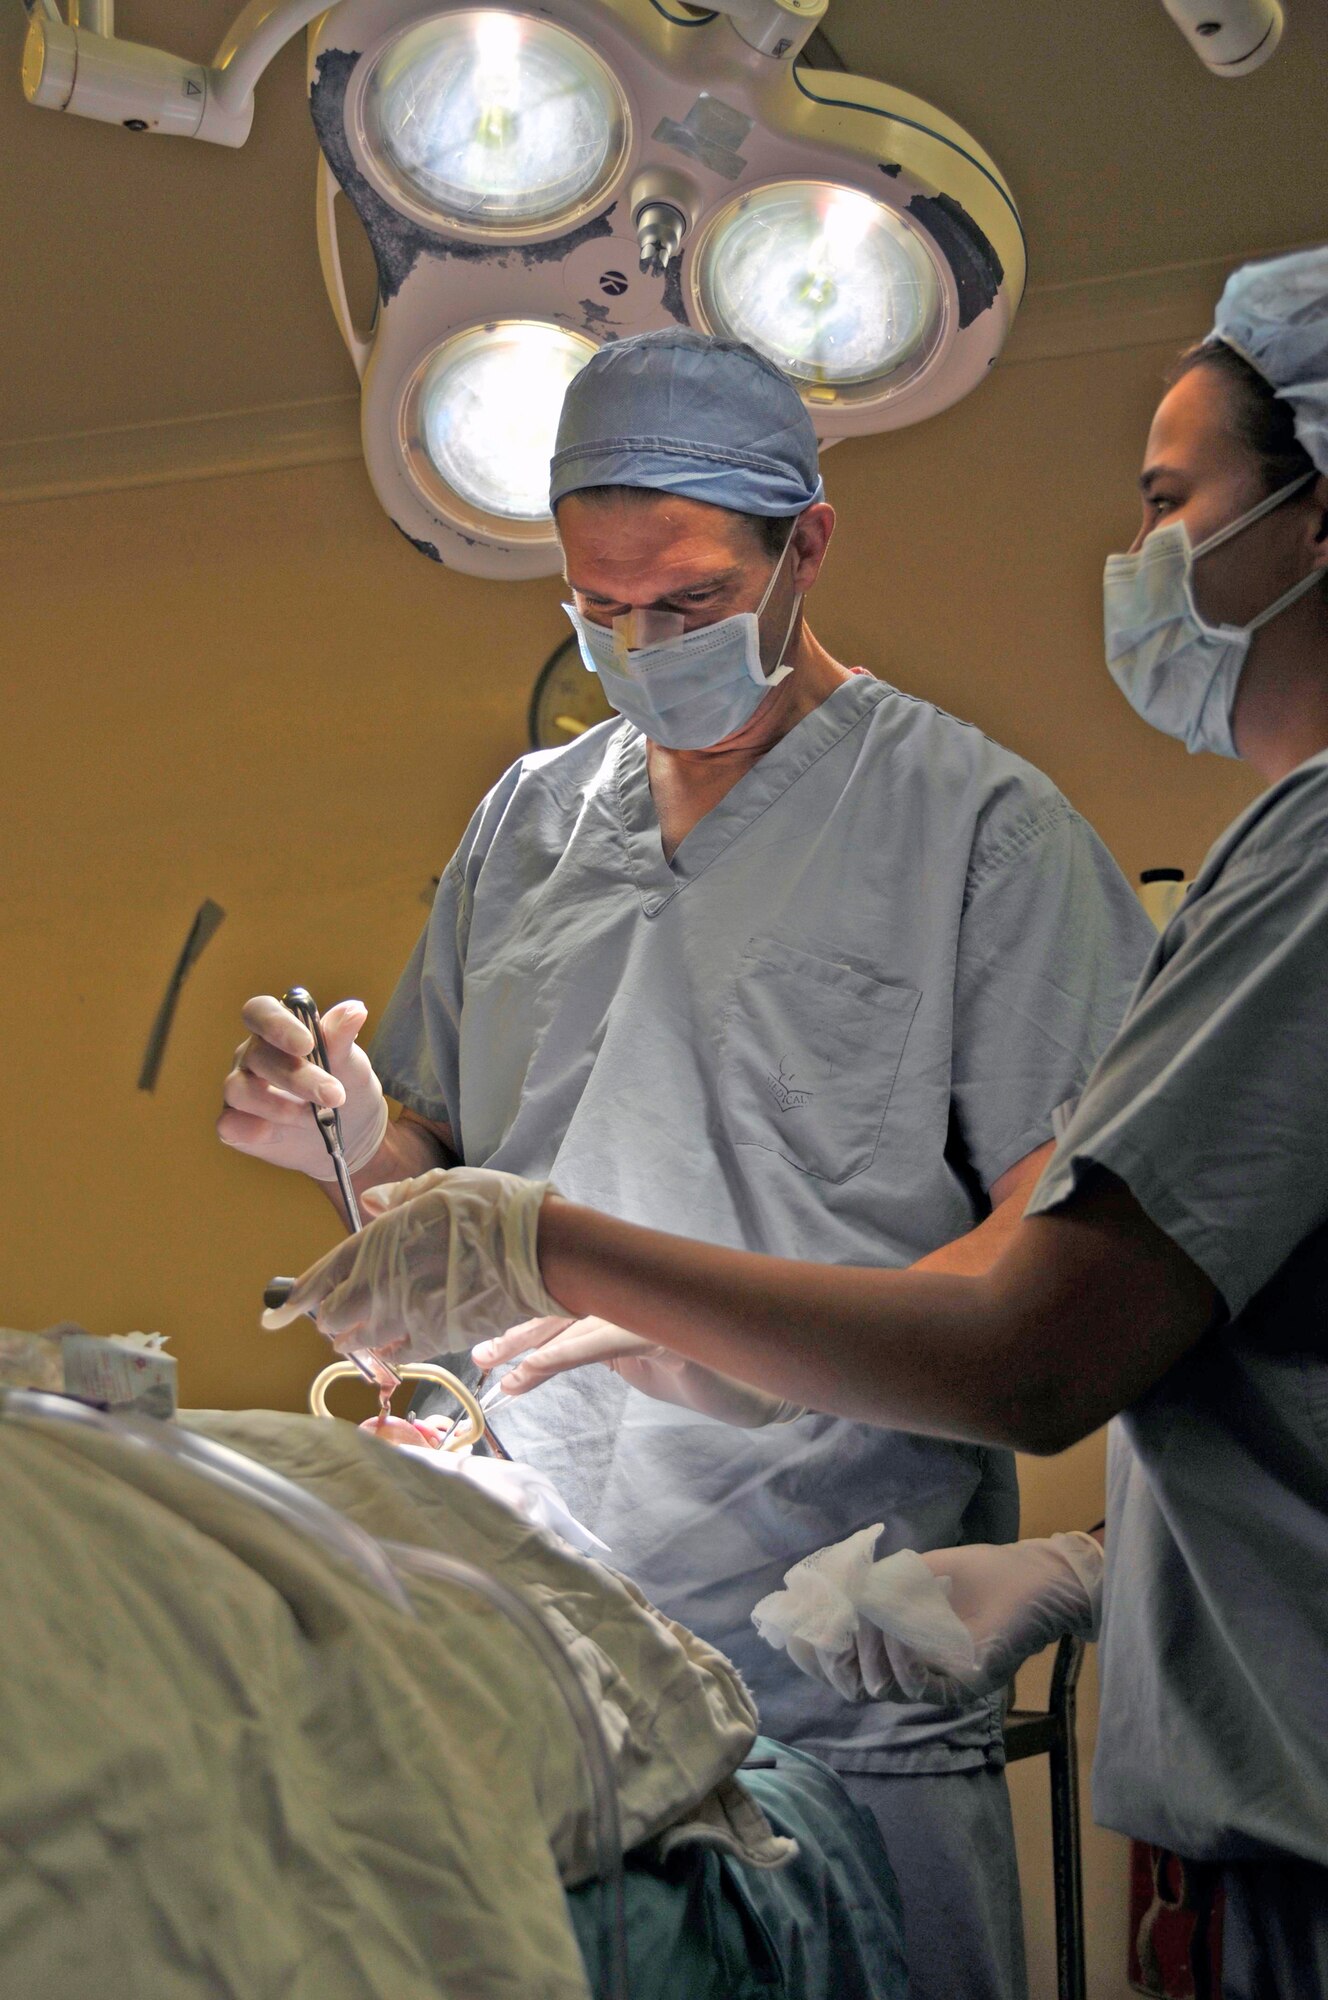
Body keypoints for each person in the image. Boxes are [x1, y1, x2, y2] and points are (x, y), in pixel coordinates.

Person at [263, 249, 1328, 1997]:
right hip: (550, 1648)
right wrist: (362, 1132)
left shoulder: (979, 831)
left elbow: (1059, 1310)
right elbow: (436, 1192)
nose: (634, 644)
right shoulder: (529, 824)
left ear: (802, 550)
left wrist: (583, 1264)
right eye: (595, 609)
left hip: (841, 1651)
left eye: (681, 603)